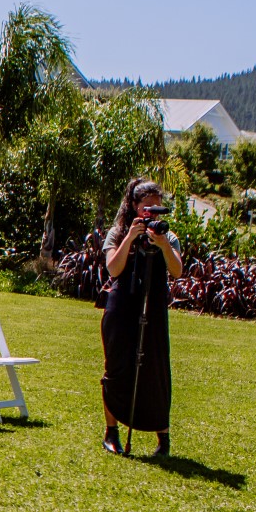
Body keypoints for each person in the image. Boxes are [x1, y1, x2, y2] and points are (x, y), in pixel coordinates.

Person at [101, 178, 182, 456]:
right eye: (147, 208)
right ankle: (111, 432)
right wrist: (130, 238)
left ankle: (163, 437)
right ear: (134, 206)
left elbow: (177, 271)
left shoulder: (168, 236)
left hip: (153, 307)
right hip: (122, 307)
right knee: (116, 368)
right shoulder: (118, 232)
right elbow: (113, 269)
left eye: (157, 208)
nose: (152, 214)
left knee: (156, 368)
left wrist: (163, 244)